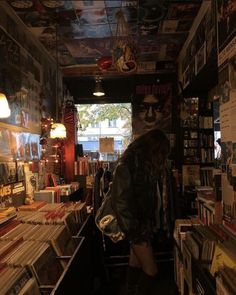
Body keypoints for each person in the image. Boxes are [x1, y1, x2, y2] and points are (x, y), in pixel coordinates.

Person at [110, 128, 170, 295]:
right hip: (136, 228)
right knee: (151, 270)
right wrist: (134, 231)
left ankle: (129, 291)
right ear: (153, 149)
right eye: (161, 153)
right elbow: (120, 203)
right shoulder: (128, 166)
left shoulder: (141, 166)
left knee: (135, 264)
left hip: (140, 225)